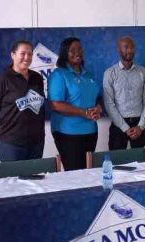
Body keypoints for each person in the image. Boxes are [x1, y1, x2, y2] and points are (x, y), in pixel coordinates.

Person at [0, 40, 45, 162]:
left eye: (30, 54)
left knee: (35, 180)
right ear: (13, 55)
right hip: (10, 144)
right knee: (12, 180)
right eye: (22, 53)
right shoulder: (1, 80)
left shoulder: (37, 78)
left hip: (36, 142)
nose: (27, 57)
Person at [48, 37, 102, 170]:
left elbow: (97, 97)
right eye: (72, 50)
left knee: (88, 172)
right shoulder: (59, 74)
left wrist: (98, 108)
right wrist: (84, 113)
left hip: (90, 131)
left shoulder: (88, 74)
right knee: (75, 174)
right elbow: (55, 104)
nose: (77, 52)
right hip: (68, 133)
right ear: (64, 53)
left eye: (79, 49)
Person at [103, 36, 145, 150]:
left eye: (132, 47)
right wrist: (124, 127)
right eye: (126, 47)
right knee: (117, 163)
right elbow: (109, 104)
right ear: (118, 49)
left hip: (139, 123)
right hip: (118, 124)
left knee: (142, 162)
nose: (129, 50)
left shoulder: (143, 72)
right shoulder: (110, 73)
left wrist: (141, 126)